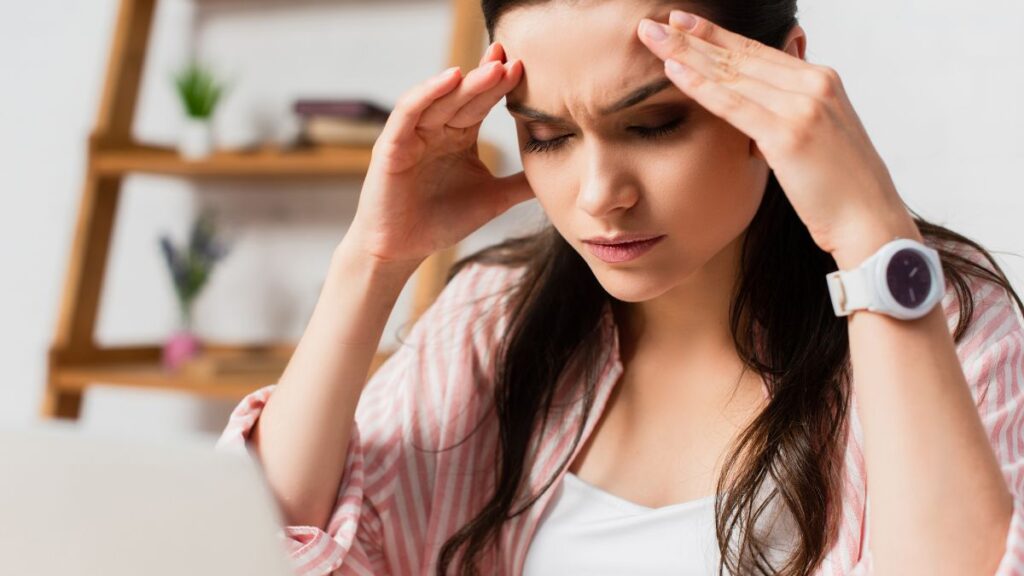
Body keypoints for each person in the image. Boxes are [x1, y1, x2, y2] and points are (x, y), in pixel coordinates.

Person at [216, 1, 1024, 574]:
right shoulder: (489, 322)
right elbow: (259, 548)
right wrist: (371, 260)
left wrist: (873, 237)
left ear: (781, 76)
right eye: (547, 136)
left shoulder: (941, 327)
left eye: (653, 124)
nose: (600, 193)